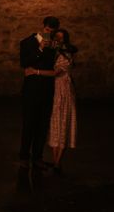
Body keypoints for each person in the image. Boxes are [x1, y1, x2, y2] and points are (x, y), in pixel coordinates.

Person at [27, 29, 78, 173]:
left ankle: (57, 162)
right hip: (54, 90)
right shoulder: (54, 53)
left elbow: (57, 72)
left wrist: (35, 71)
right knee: (56, 125)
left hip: (63, 92)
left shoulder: (66, 55)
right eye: (56, 38)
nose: (58, 40)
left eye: (61, 39)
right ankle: (56, 161)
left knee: (62, 124)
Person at [19, 16, 60, 170]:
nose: (49, 33)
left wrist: (56, 48)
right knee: (29, 124)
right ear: (43, 27)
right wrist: (40, 48)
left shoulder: (54, 45)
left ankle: (37, 157)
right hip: (31, 90)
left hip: (47, 90)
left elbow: (55, 66)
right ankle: (24, 156)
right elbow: (24, 63)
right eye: (48, 30)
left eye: (52, 31)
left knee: (43, 126)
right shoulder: (27, 42)